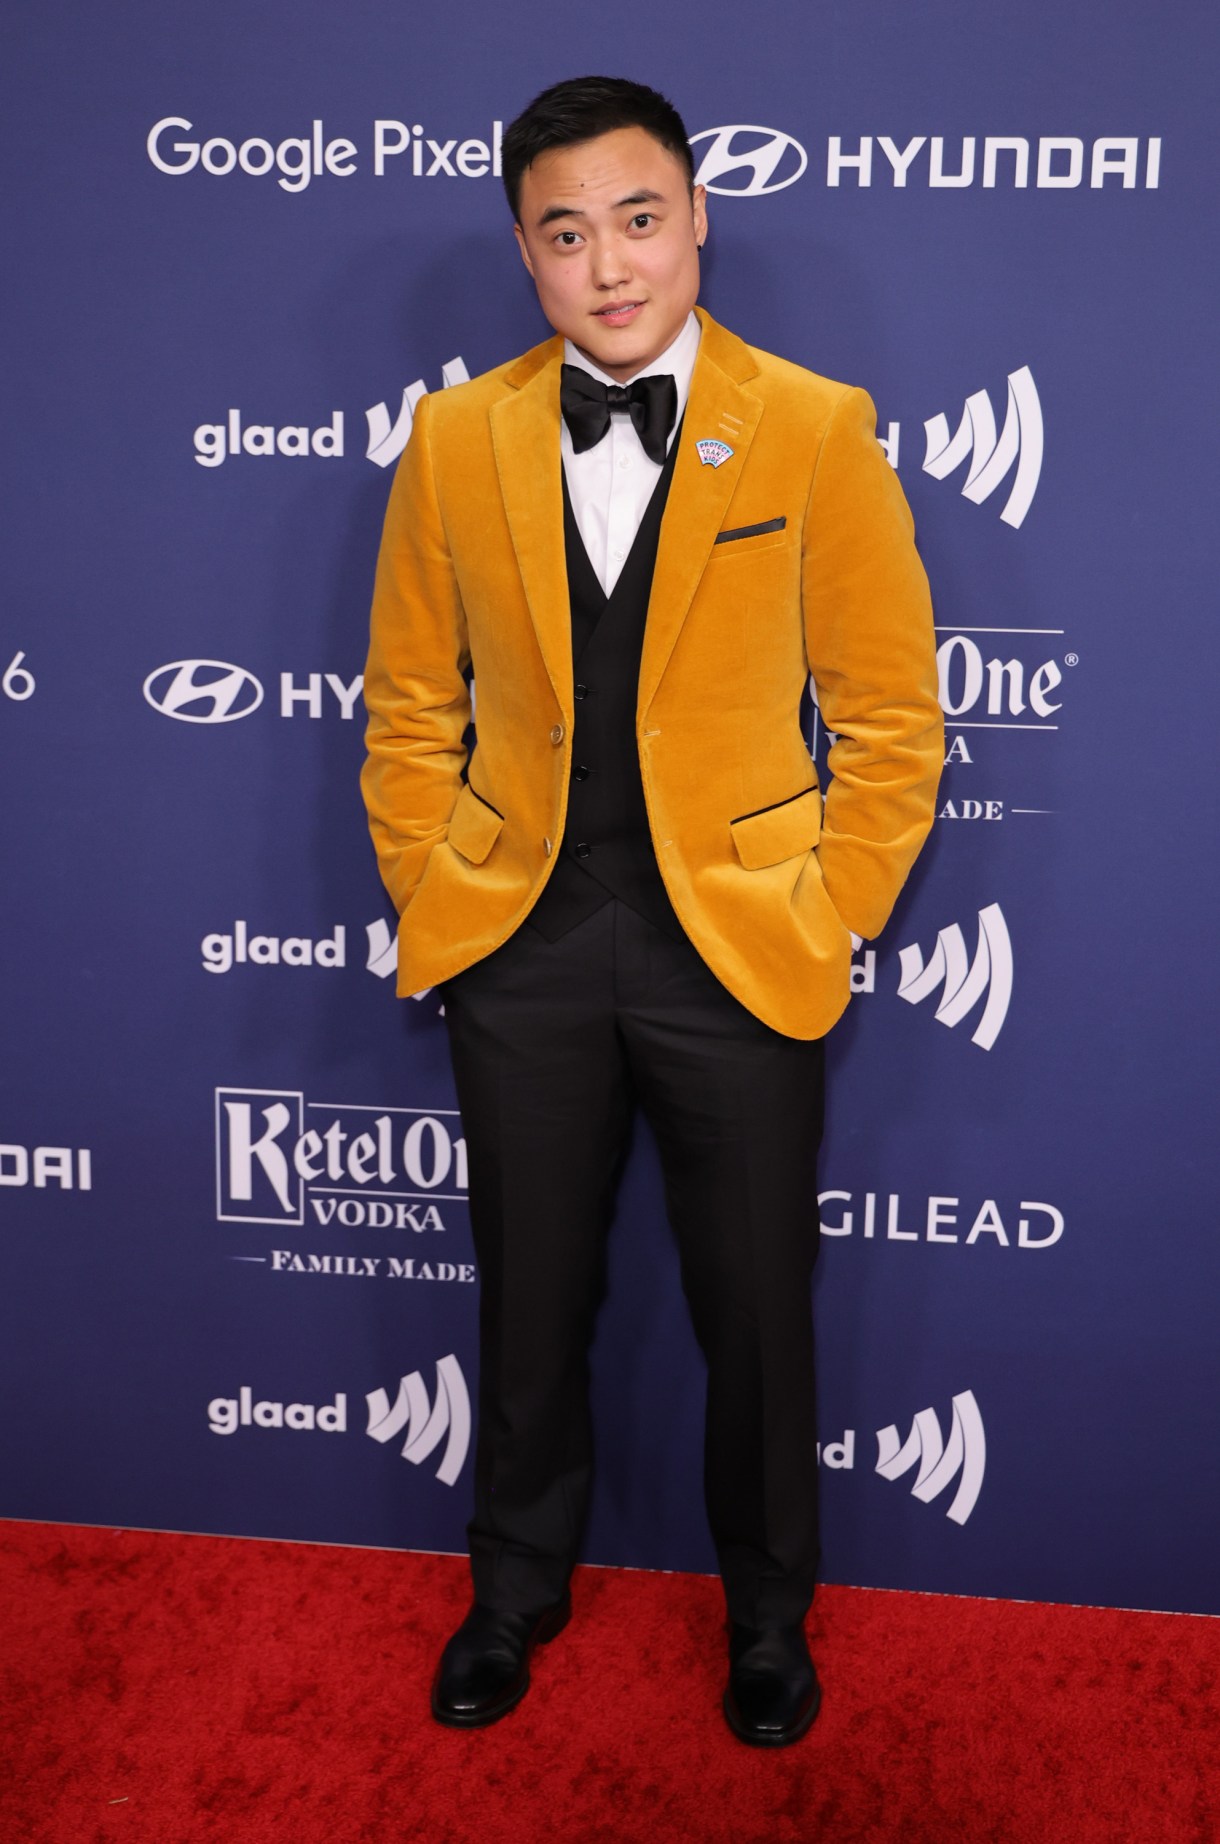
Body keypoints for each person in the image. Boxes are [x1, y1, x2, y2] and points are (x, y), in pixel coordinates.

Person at [361, 75, 943, 1747]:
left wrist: (827, 907)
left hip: (740, 943)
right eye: (565, 233)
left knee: (756, 1303)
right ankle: (514, 1591)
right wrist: (431, 879)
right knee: (526, 1292)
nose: (608, 264)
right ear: (525, 258)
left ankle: (769, 1619)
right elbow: (409, 705)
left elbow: (894, 720)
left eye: (636, 217)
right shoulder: (458, 438)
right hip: (520, 942)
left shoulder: (816, 424)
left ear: (696, 217)